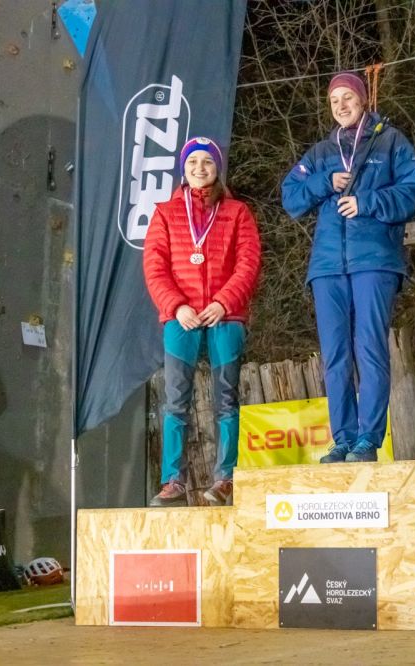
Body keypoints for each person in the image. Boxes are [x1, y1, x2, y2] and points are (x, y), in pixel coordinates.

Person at [281, 72, 415, 463]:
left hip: (374, 259)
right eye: (334, 100)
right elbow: (290, 198)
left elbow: (412, 193)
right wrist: (325, 183)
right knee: (334, 355)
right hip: (327, 265)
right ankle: (343, 438)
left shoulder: (390, 141)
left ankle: (367, 440)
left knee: (370, 348)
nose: (341, 105)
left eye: (348, 97)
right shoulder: (321, 153)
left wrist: (368, 202)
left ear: (362, 99)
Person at [143, 137, 262, 506]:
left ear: (217, 168)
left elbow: (249, 262)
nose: (199, 168)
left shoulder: (237, 212)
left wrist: (224, 302)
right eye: (193, 162)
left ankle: (225, 478)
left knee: (226, 399)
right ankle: (173, 481)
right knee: (175, 401)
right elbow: (154, 266)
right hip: (182, 317)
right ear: (184, 168)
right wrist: (176, 306)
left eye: (207, 162)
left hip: (225, 315)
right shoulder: (165, 213)